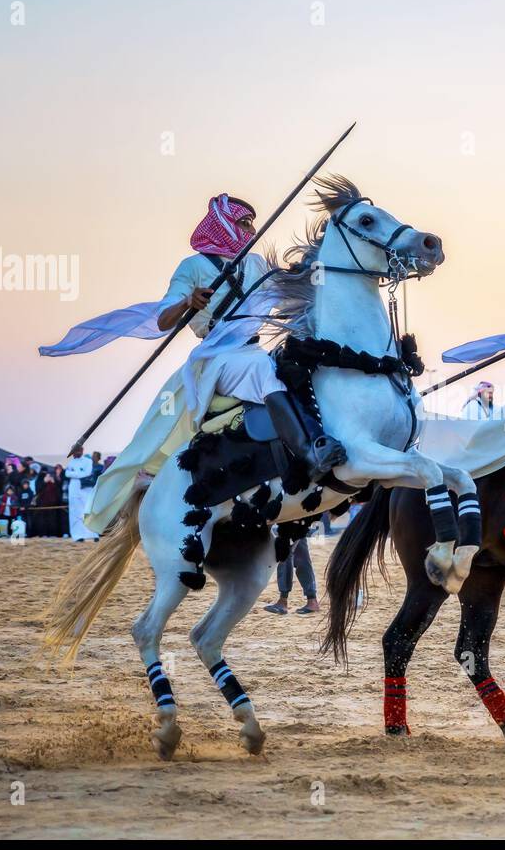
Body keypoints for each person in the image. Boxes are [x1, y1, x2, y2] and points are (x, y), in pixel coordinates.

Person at [59, 194, 348, 534]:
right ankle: (309, 450)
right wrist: (187, 301)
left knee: (294, 366)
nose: (251, 229)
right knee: (263, 372)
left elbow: (292, 291)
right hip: (217, 357)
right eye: (243, 222)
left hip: (253, 349)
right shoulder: (192, 268)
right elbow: (163, 319)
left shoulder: (254, 263)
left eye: (252, 223)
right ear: (223, 223)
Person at [263, 535, 321, 615]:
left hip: (291, 524)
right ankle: (312, 600)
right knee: (301, 554)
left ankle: (283, 601)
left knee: (285, 552)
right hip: (298, 523)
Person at [65, 445, 97, 542]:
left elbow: (87, 473)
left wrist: (74, 473)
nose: (76, 453)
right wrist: (79, 473)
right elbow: (67, 474)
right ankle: (78, 536)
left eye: (78, 451)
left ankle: (93, 534)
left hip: (85, 490)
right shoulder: (71, 462)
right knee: (75, 513)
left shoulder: (88, 461)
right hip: (74, 490)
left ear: (82, 451)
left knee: (87, 511)